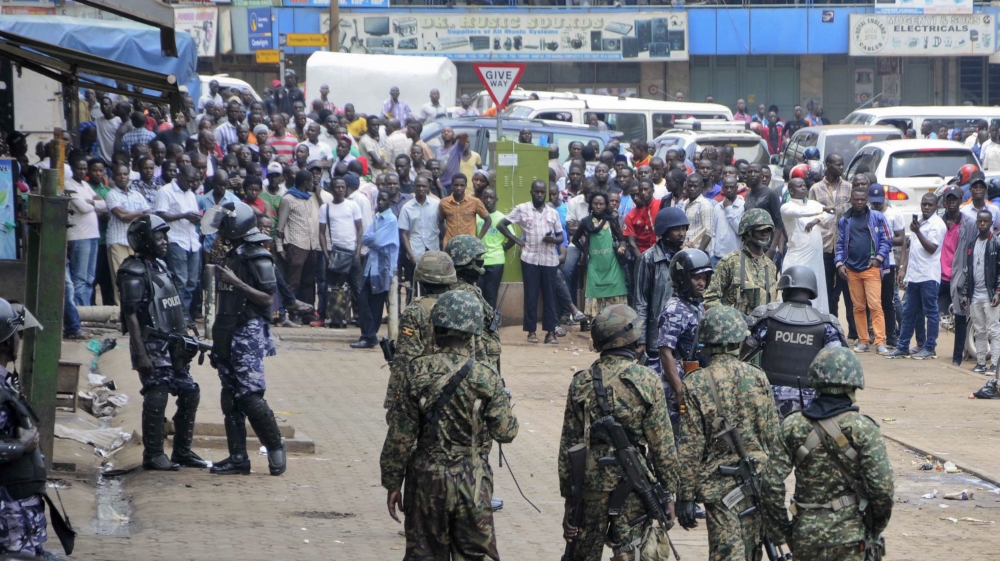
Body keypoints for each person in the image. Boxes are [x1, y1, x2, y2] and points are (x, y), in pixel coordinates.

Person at [380, 290, 517, 560]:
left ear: (436, 326)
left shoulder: (416, 371)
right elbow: (506, 432)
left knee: (425, 555)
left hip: (425, 478)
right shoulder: (485, 375)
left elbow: (400, 435)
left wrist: (393, 482)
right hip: (471, 479)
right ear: (473, 331)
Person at [557, 304, 678, 561]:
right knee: (633, 553)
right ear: (632, 338)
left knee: (583, 553)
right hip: (633, 487)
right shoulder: (646, 380)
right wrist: (668, 493)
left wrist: (570, 499)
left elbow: (569, 446)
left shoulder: (582, 381)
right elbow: (662, 447)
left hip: (590, 488)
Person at [760, 347, 894, 561]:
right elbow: (882, 488)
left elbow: (769, 484)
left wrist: (783, 533)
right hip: (850, 537)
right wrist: (875, 528)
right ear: (853, 385)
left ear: (815, 383)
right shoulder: (863, 429)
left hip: (806, 535)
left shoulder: (793, 426)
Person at [675, 305, 781, 559]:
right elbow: (772, 436)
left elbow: (690, 446)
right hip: (757, 482)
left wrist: (685, 496)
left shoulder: (696, 382)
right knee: (752, 551)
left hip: (720, 490)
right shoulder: (757, 377)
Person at [117, 215, 209, 471]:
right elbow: (131, 315)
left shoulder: (161, 267)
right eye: (159, 237)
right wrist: (141, 354)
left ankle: (182, 452)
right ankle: (154, 454)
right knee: (157, 394)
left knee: (190, 392)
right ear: (144, 240)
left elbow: (174, 304)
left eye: (165, 236)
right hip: (151, 346)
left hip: (174, 346)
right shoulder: (132, 271)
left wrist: (190, 335)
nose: (165, 241)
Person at [208, 201, 286, 476]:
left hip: (248, 330)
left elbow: (267, 298)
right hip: (227, 329)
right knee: (230, 396)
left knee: (250, 395)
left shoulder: (257, 256)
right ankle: (238, 457)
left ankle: (275, 447)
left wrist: (238, 282)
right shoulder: (233, 254)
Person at [0, 299, 67, 560]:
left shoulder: (5, 384)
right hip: (9, 513)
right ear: (6, 342)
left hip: (20, 512)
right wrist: (21, 447)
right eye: (17, 335)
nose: (19, 340)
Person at [744, 266, 847, 419]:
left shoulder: (767, 317)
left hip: (768, 399)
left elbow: (743, 351)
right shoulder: (827, 323)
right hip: (810, 403)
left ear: (785, 289)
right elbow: (838, 364)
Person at [382, 251, 456, 418]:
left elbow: (405, 361)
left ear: (420, 280)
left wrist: (394, 402)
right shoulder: (462, 306)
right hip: (458, 391)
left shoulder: (416, 311)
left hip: (423, 393)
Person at [497, 180, 563, 345]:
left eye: (542, 192)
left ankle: (550, 332)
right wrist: (516, 241)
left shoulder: (552, 213)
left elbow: (561, 236)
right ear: (531, 192)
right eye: (536, 192)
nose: (539, 195)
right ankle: (531, 331)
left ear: (546, 193)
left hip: (549, 259)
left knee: (549, 296)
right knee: (531, 295)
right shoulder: (522, 209)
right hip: (529, 258)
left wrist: (553, 240)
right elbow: (501, 224)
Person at [885, 192, 947, 360]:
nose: (926, 207)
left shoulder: (937, 224)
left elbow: (932, 248)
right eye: (924, 204)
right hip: (914, 275)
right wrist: (903, 268)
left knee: (931, 313)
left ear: (936, 206)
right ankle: (903, 346)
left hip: (929, 275)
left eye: (930, 204)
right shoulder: (918, 220)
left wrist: (918, 232)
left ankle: (930, 347)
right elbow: (910, 246)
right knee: (909, 312)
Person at [657, 248, 711, 435]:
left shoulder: (696, 304)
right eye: (696, 278)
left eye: (704, 278)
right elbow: (665, 352)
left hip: (694, 379)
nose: (701, 283)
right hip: (678, 385)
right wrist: (679, 390)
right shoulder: (674, 309)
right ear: (682, 278)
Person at [835, 186, 892, 354]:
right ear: (851, 201)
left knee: (875, 306)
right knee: (858, 307)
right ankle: (863, 340)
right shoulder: (845, 220)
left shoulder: (877, 217)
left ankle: (880, 341)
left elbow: (886, 239)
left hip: (871, 269)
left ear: (866, 200)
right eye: (856, 199)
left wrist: (878, 259)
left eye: (862, 199)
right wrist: (839, 264)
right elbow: (839, 244)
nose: (859, 202)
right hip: (851, 269)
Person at [810, 153, 857, 341]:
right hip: (824, 246)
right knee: (828, 293)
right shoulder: (815, 189)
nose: (841, 167)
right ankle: (832, 330)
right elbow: (812, 214)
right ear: (828, 165)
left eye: (842, 164)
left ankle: (854, 331)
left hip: (846, 249)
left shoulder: (849, 187)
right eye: (837, 164)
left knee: (849, 293)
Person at [635, 207, 688, 369]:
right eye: (676, 229)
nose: (682, 233)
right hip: (657, 335)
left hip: (683, 334)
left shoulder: (687, 257)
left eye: (684, 228)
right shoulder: (648, 259)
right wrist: (641, 339)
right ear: (664, 231)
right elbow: (641, 301)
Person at [705, 209, 779, 316]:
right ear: (748, 232)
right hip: (735, 328)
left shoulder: (771, 266)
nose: (765, 233)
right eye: (760, 230)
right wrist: (730, 318)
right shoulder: (731, 261)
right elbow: (709, 298)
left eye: (768, 230)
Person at [154, 164, 202, 321]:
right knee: (180, 281)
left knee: (192, 282)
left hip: (192, 241)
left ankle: (184, 315)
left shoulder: (191, 194)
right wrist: (182, 216)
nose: (192, 184)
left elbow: (191, 216)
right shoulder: (165, 191)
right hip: (175, 240)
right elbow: (160, 214)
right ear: (180, 176)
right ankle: (176, 317)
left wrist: (195, 219)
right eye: (189, 181)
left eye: (195, 181)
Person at [937, 185, 978, 366]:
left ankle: (957, 358)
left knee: (961, 318)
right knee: (928, 313)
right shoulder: (937, 222)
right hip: (938, 276)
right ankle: (925, 348)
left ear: (961, 201)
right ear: (944, 201)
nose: (952, 202)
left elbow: (973, 252)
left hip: (959, 277)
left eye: (955, 199)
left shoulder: (969, 224)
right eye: (949, 199)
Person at [352, 189, 399, 349]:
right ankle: (368, 335)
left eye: (383, 200)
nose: (380, 202)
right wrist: (373, 238)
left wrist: (373, 238)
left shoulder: (391, 220)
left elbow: (377, 241)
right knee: (363, 299)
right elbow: (365, 238)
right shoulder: (377, 218)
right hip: (370, 266)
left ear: (389, 202)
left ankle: (369, 336)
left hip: (382, 268)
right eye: (379, 199)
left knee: (376, 304)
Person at [571, 190, 628, 319]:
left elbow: (622, 239)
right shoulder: (586, 222)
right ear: (590, 204)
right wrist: (586, 250)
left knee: (615, 300)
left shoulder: (612, 221)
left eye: (601, 204)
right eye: (595, 203)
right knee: (595, 297)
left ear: (605, 205)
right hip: (594, 265)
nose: (598, 206)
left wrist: (621, 247)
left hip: (612, 265)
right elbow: (575, 239)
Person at [780, 178, 833, 312]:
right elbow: (799, 212)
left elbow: (831, 213)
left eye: (804, 185)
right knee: (794, 287)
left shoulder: (813, 204)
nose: (804, 188)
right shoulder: (787, 207)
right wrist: (821, 210)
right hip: (797, 257)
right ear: (791, 191)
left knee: (816, 287)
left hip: (814, 257)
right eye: (799, 186)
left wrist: (816, 220)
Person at [319, 176, 363, 327]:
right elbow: (321, 233)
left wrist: (358, 251)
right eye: (337, 187)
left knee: (357, 287)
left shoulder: (353, 205)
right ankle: (332, 317)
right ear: (332, 189)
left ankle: (360, 317)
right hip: (335, 254)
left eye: (342, 187)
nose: (340, 190)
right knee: (332, 286)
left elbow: (359, 229)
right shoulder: (326, 208)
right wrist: (326, 254)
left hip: (352, 253)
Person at [105, 164, 152, 301]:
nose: (123, 177)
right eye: (119, 174)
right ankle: (121, 311)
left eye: (125, 174)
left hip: (135, 242)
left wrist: (136, 213)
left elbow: (148, 214)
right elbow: (122, 216)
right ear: (113, 177)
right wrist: (140, 212)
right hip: (117, 240)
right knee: (120, 276)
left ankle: (135, 309)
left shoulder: (137, 195)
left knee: (136, 276)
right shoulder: (111, 194)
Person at [276, 170, 321, 314]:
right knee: (293, 281)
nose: (313, 184)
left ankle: (307, 313)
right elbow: (280, 226)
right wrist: (279, 247)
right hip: (296, 244)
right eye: (311, 181)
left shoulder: (308, 198)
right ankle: (287, 313)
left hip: (310, 245)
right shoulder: (288, 199)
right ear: (304, 183)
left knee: (308, 281)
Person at [961, 210, 1000, 373]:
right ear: (976, 223)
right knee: (979, 330)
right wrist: (965, 293)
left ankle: (995, 365)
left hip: (990, 295)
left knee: (994, 330)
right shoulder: (972, 243)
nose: (982, 224)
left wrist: (998, 291)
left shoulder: (996, 243)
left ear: (991, 224)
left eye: (986, 221)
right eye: (980, 221)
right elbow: (968, 270)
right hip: (975, 294)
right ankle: (981, 362)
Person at [65, 156, 105, 307]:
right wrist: (95, 202)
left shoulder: (85, 185)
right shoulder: (69, 185)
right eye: (79, 168)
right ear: (73, 168)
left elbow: (104, 204)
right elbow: (83, 208)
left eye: (84, 168)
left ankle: (86, 311)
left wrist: (92, 202)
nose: (82, 171)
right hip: (79, 236)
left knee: (90, 277)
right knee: (80, 277)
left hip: (93, 235)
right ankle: (79, 311)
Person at [438, 173, 490, 246]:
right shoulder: (444, 203)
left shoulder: (475, 202)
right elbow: (440, 221)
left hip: (469, 245)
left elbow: (488, 220)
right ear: (451, 185)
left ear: (465, 186)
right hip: (450, 244)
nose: (459, 188)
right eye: (456, 185)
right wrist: (446, 236)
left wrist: (478, 239)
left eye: (462, 185)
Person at [476, 187, 507, 311]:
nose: (488, 200)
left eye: (491, 197)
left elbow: (511, 238)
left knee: (491, 293)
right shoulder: (477, 217)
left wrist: (502, 248)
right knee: (479, 293)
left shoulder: (501, 218)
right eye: (485, 197)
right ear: (481, 199)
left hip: (496, 261)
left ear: (496, 200)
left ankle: (490, 325)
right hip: (479, 261)